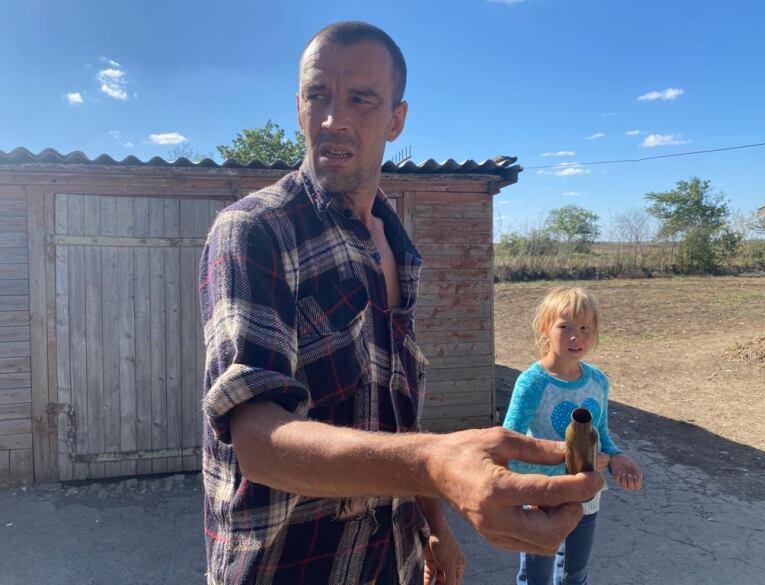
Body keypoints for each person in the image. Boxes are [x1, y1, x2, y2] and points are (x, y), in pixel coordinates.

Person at [199, 21, 602, 585]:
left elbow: (394, 414)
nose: (334, 118)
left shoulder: (398, 246)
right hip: (287, 565)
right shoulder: (255, 229)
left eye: (361, 98)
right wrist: (436, 465)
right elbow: (257, 440)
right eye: (318, 96)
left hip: (391, 559)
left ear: (396, 119)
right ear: (298, 107)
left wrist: (433, 522)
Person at [502, 286, 643, 585]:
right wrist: (577, 463)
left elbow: (601, 432)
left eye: (584, 328)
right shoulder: (531, 382)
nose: (575, 337)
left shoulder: (598, 381)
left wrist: (617, 457)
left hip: (586, 495)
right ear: (545, 328)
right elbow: (509, 447)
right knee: (535, 577)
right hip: (541, 495)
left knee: (575, 575)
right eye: (564, 327)